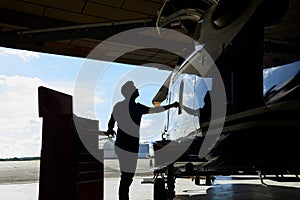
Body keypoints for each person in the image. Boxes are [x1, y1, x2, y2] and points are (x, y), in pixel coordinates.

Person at [106, 81, 179, 200]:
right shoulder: (136, 108)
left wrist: (110, 129)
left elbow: (111, 120)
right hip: (128, 146)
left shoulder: (119, 106)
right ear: (129, 93)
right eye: (135, 88)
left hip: (123, 145)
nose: (137, 89)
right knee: (127, 176)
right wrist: (171, 106)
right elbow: (155, 110)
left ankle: (123, 197)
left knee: (127, 176)